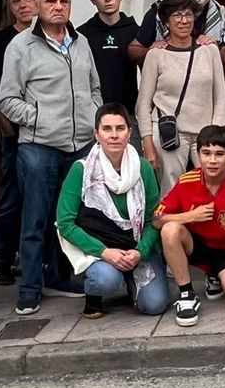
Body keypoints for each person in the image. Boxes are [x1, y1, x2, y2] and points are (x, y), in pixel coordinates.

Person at [0, 0, 103, 314]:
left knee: (69, 219)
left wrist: (91, 117)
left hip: (80, 146)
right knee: (35, 220)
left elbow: (95, 89)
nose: (58, 7)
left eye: (64, 1)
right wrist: (39, 118)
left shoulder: (81, 42)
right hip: (38, 147)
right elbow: (7, 100)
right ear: (39, 6)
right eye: (51, 2)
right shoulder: (20, 46)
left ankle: (58, 276)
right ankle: (29, 288)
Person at [55, 104, 168, 319]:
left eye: (120, 128)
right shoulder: (81, 170)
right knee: (105, 280)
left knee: (155, 305)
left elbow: (154, 219)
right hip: (101, 251)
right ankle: (95, 292)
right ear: (96, 134)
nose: (114, 135)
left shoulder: (143, 168)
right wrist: (105, 252)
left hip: (136, 248)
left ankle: (131, 283)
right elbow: (65, 223)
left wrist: (140, 252)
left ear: (129, 132)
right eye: (107, 129)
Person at [156, 125, 225, 327]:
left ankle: (215, 276)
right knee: (170, 229)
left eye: (219, 154)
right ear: (198, 155)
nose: (212, 160)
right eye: (206, 153)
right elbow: (157, 220)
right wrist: (190, 216)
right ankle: (187, 294)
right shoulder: (186, 181)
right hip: (194, 246)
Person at [136, 0, 225, 193]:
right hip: (170, 133)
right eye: (177, 15)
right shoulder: (156, 54)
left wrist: (217, 132)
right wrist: (147, 142)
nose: (184, 20)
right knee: (171, 191)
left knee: (218, 188)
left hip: (206, 133)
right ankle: (171, 225)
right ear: (167, 22)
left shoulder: (209, 50)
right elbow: (143, 103)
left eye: (188, 14)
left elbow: (221, 96)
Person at [0, 0, 35, 286]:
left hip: (48, 132)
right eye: (16, 1)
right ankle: (2, 259)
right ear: (10, 7)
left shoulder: (54, 34)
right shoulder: (1, 41)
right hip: (14, 133)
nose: (23, 5)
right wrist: (4, 123)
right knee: (12, 197)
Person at [77, 0, 141, 144]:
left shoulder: (136, 32)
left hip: (128, 115)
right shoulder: (82, 34)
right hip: (94, 116)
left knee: (132, 166)